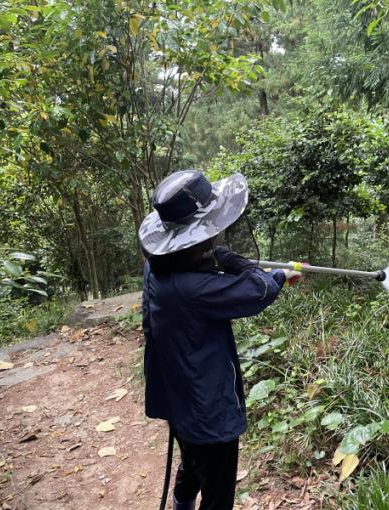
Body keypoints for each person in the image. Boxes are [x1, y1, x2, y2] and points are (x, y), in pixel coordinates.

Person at [138, 170, 299, 510]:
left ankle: (181, 503)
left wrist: (216, 258)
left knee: (192, 459)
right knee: (217, 490)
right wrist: (254, 268)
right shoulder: (196, 289)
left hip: (177, 396)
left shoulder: (157, 268)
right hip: (207, 407)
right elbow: (258, 290)